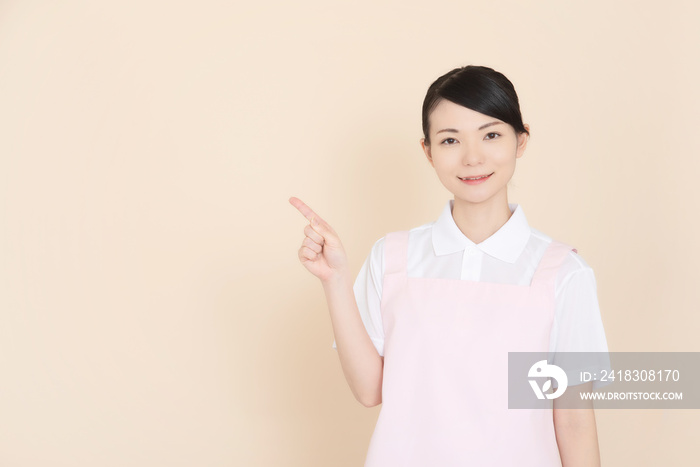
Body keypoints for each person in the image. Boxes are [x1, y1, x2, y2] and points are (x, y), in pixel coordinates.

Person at [290, 65, 609, 466]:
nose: (472, 157)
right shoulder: (392, 257)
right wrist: (334, 280)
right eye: (450, 140)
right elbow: (370, 390)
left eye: (491, 135)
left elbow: (575, 422)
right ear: (428, 151)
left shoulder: (563, 272)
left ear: (521, 140)